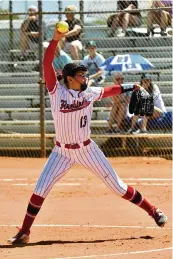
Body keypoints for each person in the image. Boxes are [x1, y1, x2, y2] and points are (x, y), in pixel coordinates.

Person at [7, 27, 167, 245]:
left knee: (117, 187)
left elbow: (111, 90)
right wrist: (54, 41)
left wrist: (132, 86)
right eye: (81, 74)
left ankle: (153, 210)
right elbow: (46, 66)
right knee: (40, 188)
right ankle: (24, 231)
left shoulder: (89, 92)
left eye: (84, 74)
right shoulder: (57, 92)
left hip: (87, 149)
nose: (85, 77)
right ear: (70, 78)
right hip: (61, 151)